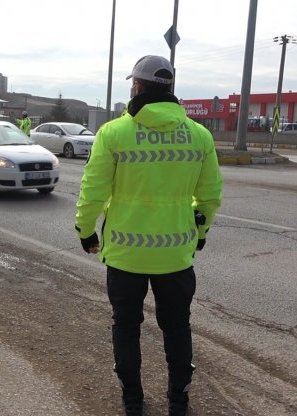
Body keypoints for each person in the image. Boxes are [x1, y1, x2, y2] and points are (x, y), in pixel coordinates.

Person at [74, 55, 223, 416]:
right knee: (177, 329)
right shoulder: (199, 135)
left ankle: (133, 402)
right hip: (175, 256)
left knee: (126, 327)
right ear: (170, 88)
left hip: (126, 256)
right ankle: (178, 401)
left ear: (137, 87)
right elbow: (210, 196)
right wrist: (199, 233)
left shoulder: (114, 133)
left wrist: (85, 231)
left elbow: (92, 191)